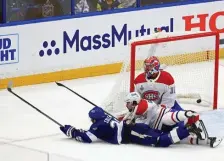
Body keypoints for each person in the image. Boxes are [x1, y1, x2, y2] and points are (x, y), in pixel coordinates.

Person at [60, 106, 221, 148]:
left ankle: (188, 128)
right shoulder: (105, 118)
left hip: (133, 133)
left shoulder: (98, 126)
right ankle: (203, 141)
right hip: (134, 127)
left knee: (162, 141)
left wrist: (71, 131)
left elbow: (87, 138)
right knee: (168, 136)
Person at [121, 92, 222, 147]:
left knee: (167, 118)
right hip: (159, 127)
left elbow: (143, 123)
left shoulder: (141, 105)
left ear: (134, 102)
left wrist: (130, 122)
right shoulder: (136, 108)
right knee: (179, 139)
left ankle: (187, 114)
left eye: (128, 103)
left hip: (161, 116)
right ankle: (207, 141)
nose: (127, 105)